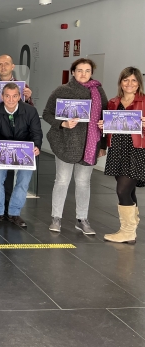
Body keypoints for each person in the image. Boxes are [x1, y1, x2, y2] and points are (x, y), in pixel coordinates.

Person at [42, 58, 108, 234]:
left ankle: (82, 219)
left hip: (89, 144)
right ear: (73, 72)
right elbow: (47, 113)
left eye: (87, 70)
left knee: (83, 183)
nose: (83, 74)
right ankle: (56, 218)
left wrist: (103, 145)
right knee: (62, 181)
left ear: (91, 73)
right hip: (65, 143)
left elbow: (105, 118)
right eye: (79, 70)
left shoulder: (98, 92)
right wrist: (62, 123)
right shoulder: (62, 90)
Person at [0, 54, 35, 212]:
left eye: (6, 64)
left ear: (13, 66)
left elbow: (29, 111)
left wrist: (29, 98)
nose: (3, 66)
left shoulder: (22, 87)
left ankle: (8, 201)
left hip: (16, 136)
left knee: (10, 171)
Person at [0, 83, 42, 227]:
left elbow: (36, 133)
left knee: (23, 182)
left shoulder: (30, 111)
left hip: (25, 151)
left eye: (14, 96)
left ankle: (14, 213)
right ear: (2, 96)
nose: (11, 99)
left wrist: (37, 147)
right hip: (1, 150)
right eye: (7, 96)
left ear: (19, 96)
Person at [98, 67, 145, 244]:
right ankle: (132, 225)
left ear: (139, 82)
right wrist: (104, 125)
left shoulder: (144, 101)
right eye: (126, 80)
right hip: (117, 149)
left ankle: (127, 232)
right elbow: (109, 126)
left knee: (122, 190)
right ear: (121, 82)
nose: (129, 84)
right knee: (129, 190)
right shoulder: (113, 102)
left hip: (137, 151)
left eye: (133, 80)